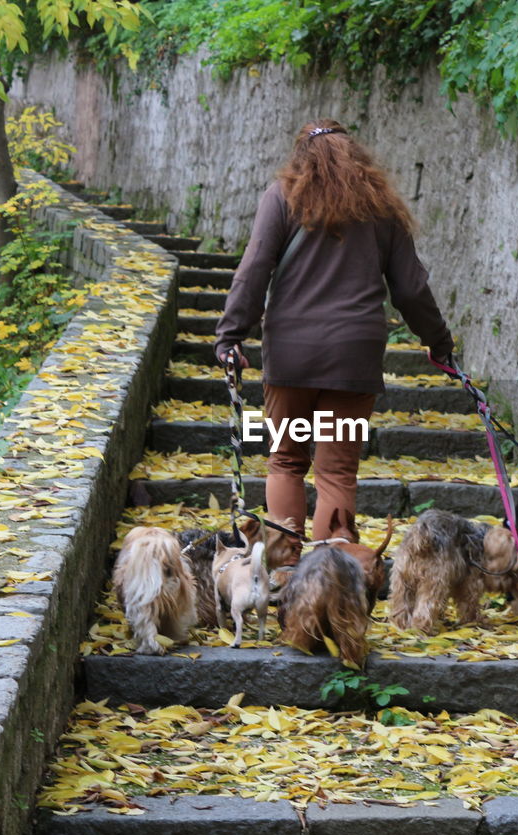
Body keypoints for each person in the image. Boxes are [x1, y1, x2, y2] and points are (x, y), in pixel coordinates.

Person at [215, 119, 454, 542]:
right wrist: (438, 342)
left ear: (300, 157)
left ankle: (286, 571)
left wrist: (230, 336)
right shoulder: (381, 206)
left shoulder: (282, 196)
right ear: (356, 157)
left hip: (291, 355)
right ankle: (333, 580)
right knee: (337, 471)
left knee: (286, 460)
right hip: (353, 358)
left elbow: (253, 270)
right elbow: (411, 288)